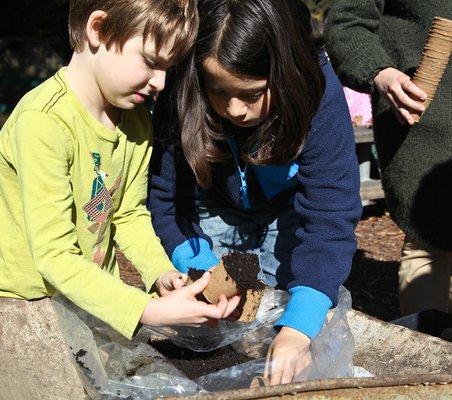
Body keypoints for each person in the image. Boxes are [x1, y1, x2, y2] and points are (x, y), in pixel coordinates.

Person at [0, 0, 240, 341]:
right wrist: (146, 310)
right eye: (151, 62)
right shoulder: (43, 123)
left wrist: (160, 273)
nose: (160, 82)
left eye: (168, 69)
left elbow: (129, 214)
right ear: (98, 30)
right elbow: (53, 255)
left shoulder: (137, 122)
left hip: (88, 305)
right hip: (19, 313)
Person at [148, 0, 362, 385]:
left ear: (288, 73)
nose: (234, 110)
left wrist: (297, 331)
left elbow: (329, 217)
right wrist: (199, 267)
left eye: (251, 94)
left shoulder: (319, 94)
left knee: (289, 317)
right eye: (218, 91)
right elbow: (168, 200)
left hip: (289, 211)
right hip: (215, 206)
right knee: (215, 323)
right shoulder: (182, 93)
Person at [324, 1, 452, 318]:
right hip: (423, 123)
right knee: (429, 243)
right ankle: (428, 352)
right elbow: (347, 23)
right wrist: (380, 72)